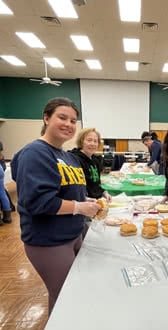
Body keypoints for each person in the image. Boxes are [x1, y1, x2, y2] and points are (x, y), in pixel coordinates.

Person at [11, 97, 101, 315]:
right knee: (65, 299)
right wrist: (79, 207)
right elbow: (38, 202)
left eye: (73, 120)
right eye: (62, 117)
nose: (68, 124)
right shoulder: (36, 152)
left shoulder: (66, 156)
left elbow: (70, 191)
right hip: (48, 241)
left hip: (72, 234)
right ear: (46, 118)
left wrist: (85, 201)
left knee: (71, 293)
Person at [70, 128, 112, 202]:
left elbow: (96, 185)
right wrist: (85, 199)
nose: (92, 143)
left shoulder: (95, 160)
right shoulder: (74, 160)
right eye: (89, 140)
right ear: (81, 141)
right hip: (82, 204)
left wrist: (104, 193)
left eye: (95, 141)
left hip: (96, 202)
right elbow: (74, 189)